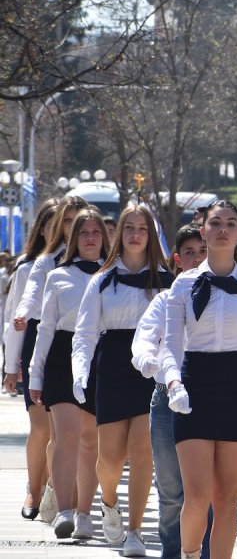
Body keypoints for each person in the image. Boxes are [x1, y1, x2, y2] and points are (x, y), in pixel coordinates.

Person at [160, 200, 237, 559]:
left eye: (230, 223)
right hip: (194, 386)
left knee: (227, 500)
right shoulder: (183, 284)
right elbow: (170, 348)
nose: (223, 229)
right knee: (196, 496)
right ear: (204, 231)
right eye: (215, 223)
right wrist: (173, 383)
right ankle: (190, 554)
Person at [72, 205, 175, 556]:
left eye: (141, 229)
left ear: (150, 235)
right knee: (110, 459)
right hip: (113, 366)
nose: (134, 234)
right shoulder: (102, 279)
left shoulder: (166, 279)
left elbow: (175, 333)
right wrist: (80, 370)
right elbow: (84, 333)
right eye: (128, 228)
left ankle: (134, 531)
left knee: (142, 451)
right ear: (119, 235)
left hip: (150, 368)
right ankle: (108, 501)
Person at [130, 225, 211, 559]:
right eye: (189, 252)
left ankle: (203, 552)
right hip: (166, 398)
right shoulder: (165, 299)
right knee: (171, 490)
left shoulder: (228, 295)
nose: (196, 258)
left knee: (203, 489)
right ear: (177, 260)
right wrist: (147, 358)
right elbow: (145, 336)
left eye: (202, 250)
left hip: (209, 397)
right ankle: (172, 551)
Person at [27, 208, 107, 538]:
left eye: (96, 232)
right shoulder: (58, 275)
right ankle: (64, 510)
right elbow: (45, 328)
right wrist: (35, 373)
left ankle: (85, 511)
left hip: (100, 356)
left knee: (91, 440)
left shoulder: (112, 273)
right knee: (68, 434)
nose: (90, 238)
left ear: (105, 237)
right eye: (83, 233)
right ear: (73, 239)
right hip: (62, 354)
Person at [2, 197, 58, 520]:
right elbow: (14, 317)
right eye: (53, 226)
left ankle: (54, 488)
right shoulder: (27, 267)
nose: (59, 231)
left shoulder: (78, 265)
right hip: (34, 340)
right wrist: (11, 367)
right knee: (41, 427)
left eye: (66, 224)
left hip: (67, 343)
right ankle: (34, 490)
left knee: (60, 428)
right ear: (42, 229)